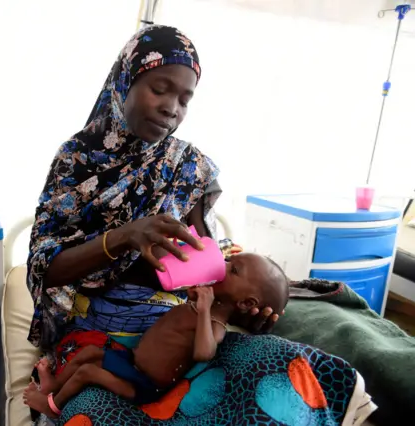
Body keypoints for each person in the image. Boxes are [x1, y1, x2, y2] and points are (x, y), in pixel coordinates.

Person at [26, 25, 282, 423]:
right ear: (124, 81)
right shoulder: (76, 161)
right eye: (160, 88)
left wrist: (245, 309)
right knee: (88, 409)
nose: (172, 108)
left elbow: (207, 262)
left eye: (185, 98)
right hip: (95, 324)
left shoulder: (187, 166)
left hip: (171, 333)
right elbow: (46, 268)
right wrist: (125, 236)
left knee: (266, 374)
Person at [23, 253, 290, 419]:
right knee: (88, 353)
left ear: (245, 303)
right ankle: (54, 386)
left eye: (233, 269)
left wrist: (205, 307)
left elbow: (204, 352)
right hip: (132, 362)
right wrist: (197, 297)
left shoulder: (215, 321)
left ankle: (53, 407)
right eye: (229, 258)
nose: (224, 263)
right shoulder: (203, 303)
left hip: (144, 384)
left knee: (87, 372)